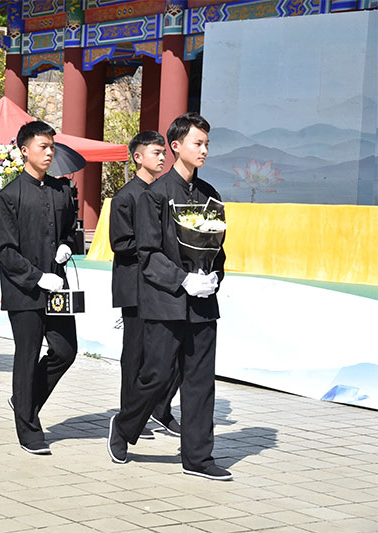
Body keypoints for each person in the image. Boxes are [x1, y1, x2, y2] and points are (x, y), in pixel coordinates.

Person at [108, 112, 231, 481]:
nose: (204, 150)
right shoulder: (155, 196)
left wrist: (213, 278)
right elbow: (147, 255)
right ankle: (125, 426)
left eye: (207, 143)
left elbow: (218, 248)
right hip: (166, 301)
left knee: (200, 380)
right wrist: (182, 280)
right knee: (157, 376)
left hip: (203, 304)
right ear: (176, 147)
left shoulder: (211, 195)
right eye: (198, 143)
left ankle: (197, 457)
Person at [0, 121, 78, 455]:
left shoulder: (61, 191)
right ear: (24, 150)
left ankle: (24, 401)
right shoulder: (9, 196)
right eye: (43, 146)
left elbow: (71, 230)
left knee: (66, 351)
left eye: (51, 146)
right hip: (24, 291)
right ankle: (29, 429)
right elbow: (5, 251)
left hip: (58, 289)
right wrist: (37, 276)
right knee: (26, 356)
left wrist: (67, 245)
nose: (49, 152)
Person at [109, 131, 182, 442]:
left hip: (162, 283)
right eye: (155, 152)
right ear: (137, 157)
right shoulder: (127, 196)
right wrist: (153, 243)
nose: (162, 158)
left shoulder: (165, 192)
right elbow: (120, 242)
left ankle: (159, 409)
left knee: (170, 354)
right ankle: (130, 417)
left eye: (163, 152)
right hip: (136, 286)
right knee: (136, 355)